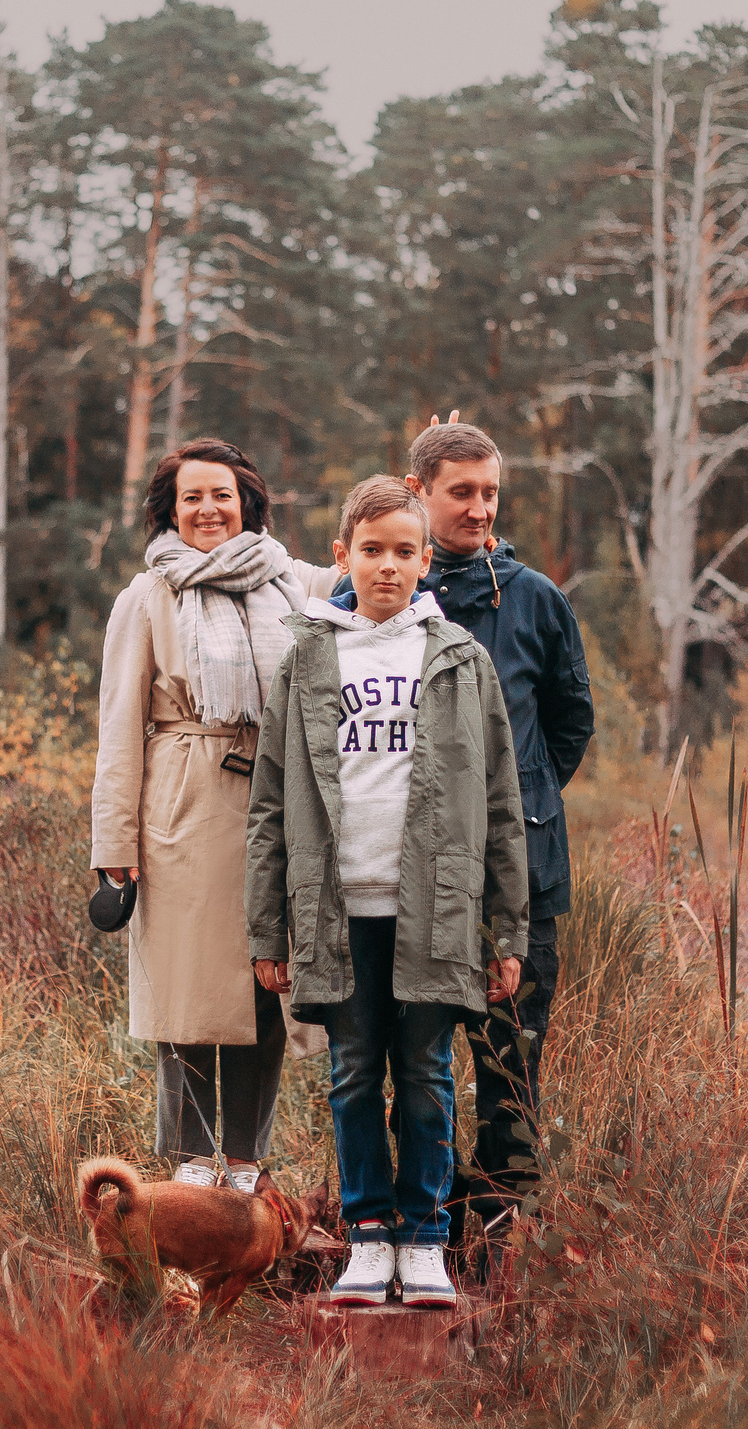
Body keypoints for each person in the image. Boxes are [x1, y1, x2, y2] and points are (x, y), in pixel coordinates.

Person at [248, 475, 528, 1308]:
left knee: (429, 1075)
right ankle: (369, 1235)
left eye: (405, 551)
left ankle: (426, 1237)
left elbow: (501, 801)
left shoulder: (460, 659)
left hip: (435, 910)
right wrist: (268, 929)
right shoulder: (308, 658)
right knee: (353, 1075)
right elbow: (270, 804)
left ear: (425, 561)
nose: (388, 566)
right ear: (343, 556)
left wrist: (507, 930)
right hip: (338, 911)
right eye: (371, 550)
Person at [92, 438, 336, 1192]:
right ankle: (194, 1160)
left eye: (221, 494)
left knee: (268, 980)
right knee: (188, 990)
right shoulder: (146, 597)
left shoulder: (295, 583)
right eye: (191, 497)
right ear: (170, 510)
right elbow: (118, 725)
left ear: (247, 502)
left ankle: (246, 1160)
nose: (207, 509)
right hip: (183, 808)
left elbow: (376, 557)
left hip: (277, 803)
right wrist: (114, 845)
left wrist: (415, 489)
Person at [402, 420, 595, 1230]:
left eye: (490, 492)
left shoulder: (537, 597)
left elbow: (571, 720)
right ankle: (423, 1227)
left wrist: (519, 803)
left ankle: (500, 1236)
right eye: (462, 492)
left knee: (512, 1065)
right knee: (413, 1065)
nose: (481, 509)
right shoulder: (383, 590)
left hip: (525, 875)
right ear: (418, 493)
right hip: (409, 874)